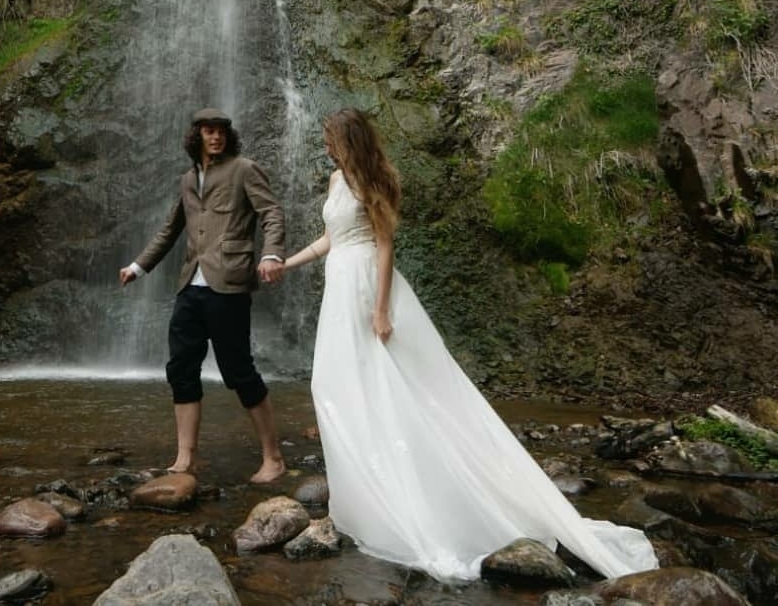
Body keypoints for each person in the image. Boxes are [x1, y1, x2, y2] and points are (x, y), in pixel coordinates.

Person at [281, 107, 659, 583]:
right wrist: (286, 264)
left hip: (364, 288)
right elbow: (329, 239)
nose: (325, 143)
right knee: (333, 384)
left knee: (386, 387)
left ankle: (404, 492)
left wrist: (380, 310)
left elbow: (384, 246)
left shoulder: (374, 180)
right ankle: (364, 492)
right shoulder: (337, 180)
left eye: (330, 136)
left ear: (349, 138)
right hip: (338, 286)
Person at [119, 106, 287, 483]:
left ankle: (273, 457)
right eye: (208, 131)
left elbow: (272, 212)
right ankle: (185, 458)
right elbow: (170, 229)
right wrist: (138, 267)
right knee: (181, 369)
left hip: (228, 283)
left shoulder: (243, 169)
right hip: (189, 287)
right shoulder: (186, 180)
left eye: (221, 131)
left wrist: (272, 252)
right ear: (196, 136)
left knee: (238, 370)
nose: (216, 137)